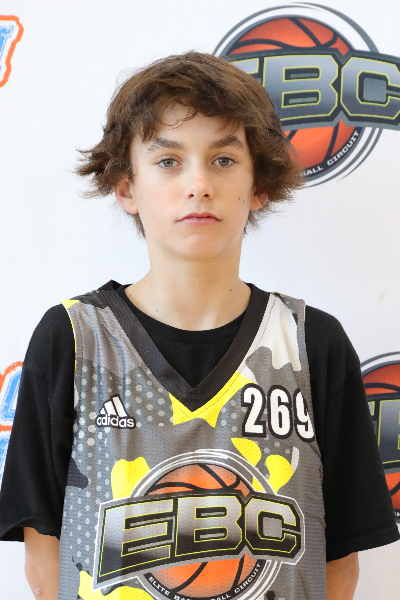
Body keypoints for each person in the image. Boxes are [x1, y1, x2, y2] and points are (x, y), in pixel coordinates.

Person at [0, 52, 398, 600]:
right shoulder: (73, 338)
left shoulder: (311, 342)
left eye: (223, 159)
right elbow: (45, 564)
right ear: (126, 186)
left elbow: (339, 564)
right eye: (168, 160)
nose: (198, 184)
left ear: (259, 185)